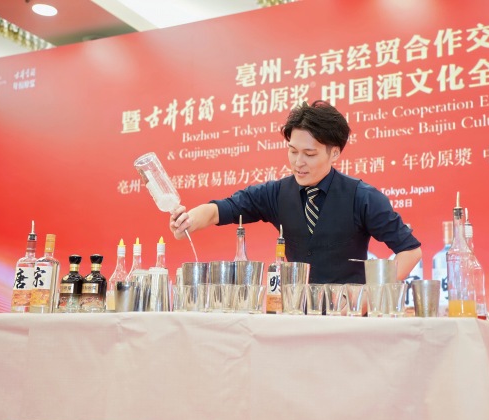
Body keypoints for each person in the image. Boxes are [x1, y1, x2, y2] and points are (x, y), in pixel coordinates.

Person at [170, 100, 422, 283]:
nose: (298, 162)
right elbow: (220, 210)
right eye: (293, 151)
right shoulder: (275, 193)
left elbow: (410, 250)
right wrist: (188, 221)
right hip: (296, 315)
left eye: (309, 154)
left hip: (349, 318)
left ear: (334, 153)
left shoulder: (362, 197)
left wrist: (369, 298)